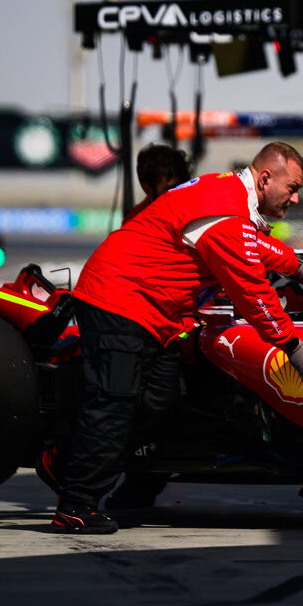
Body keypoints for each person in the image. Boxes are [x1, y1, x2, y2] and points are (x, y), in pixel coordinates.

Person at [40, 142, 303, 533]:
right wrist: (292, 346)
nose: (295, 198)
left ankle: (67, 458)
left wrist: (297, 265)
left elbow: (252, 242)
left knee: (159, 403)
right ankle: (75, 504)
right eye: (292, 188)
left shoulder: (227, 195)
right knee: (115, 403)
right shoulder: (224, 208)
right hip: (119, 301)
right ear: (265, 179)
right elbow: (252, 291)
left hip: (153, 314)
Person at [102, 143, 193, 511]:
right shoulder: (139, 219)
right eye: (164, 184)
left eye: (176, 183)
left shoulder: (194, 208)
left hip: (183, 319)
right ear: (146, 185)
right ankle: (140, 482)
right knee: (151, 404)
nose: (171, 190)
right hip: (153, 324)